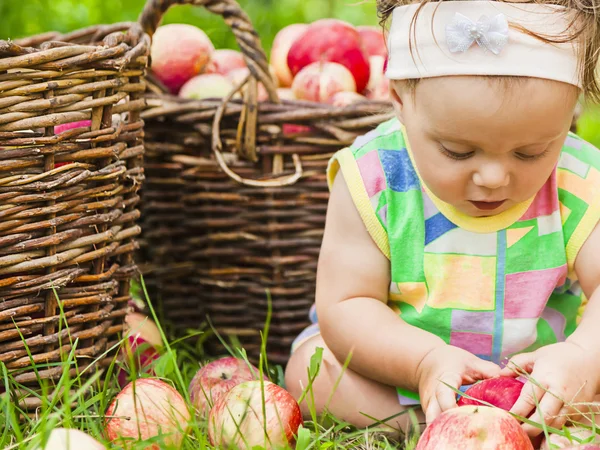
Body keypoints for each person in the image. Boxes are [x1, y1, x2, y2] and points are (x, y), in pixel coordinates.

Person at [283, 0, 600, 445]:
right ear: (399, 100)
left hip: (544, 381)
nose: (493, 178)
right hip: (409, 378)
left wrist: (582, 356)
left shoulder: (579, 179)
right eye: (457, 151)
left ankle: (528, 422)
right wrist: (424, 362)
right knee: (311, 371)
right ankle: (441, 426)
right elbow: (347, 305)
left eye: (530, 152)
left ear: (570, 115)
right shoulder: (376, 177)